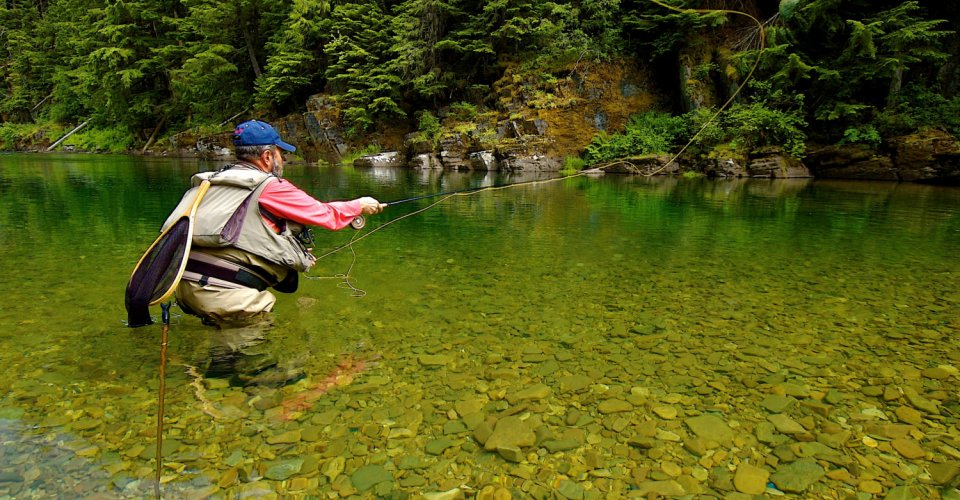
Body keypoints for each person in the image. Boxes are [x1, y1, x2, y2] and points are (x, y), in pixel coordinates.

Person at [160, 119, 383, 385]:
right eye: (281, 154)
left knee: (228, 339)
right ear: (267, 156)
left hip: (181, 286)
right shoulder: (269, 187)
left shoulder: (209, 183)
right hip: (227, 297)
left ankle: (220, 368)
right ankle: (248, 385)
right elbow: (325, 215)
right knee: (254, 349)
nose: (283, 161)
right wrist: (359, 205)